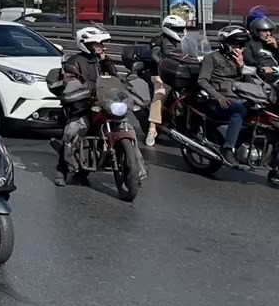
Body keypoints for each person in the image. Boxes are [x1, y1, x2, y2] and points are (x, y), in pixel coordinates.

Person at [56, 25, 147, 185]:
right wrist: (79, 91)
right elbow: (69, 81)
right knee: (72, 130)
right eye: (98, 44)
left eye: (101, 44)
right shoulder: (74, 62)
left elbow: (115, 79)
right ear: (87, 44)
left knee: (129, 130)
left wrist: (107, 62)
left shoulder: (101, 61)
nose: (102, 47)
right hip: (84, 106)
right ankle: (62, 169)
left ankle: (136, 171)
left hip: (106, 104)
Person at [197, 25, 251, 169]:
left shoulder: (239, 60)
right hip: (216, 101)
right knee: (240, 111)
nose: (238, 48)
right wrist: (218, 97)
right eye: (235, 44)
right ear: (225, 44)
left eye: (241, 45)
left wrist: (241, 66)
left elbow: (249, 84)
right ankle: (228, 149)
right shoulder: (212, 57)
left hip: (237, 97)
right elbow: (202, 81)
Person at [144, 14, 187, 145]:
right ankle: (152, 129)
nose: (181, 31)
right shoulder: (158, 39)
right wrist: (164, 62)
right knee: (160, 95)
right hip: (162, 75)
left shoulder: (185, 41)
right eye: (177, 28)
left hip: (182, 75)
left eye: (182, 28)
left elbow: (196, 53)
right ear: (168, 28)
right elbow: (155, 54)